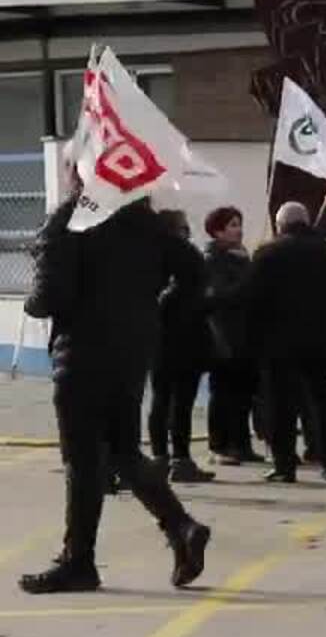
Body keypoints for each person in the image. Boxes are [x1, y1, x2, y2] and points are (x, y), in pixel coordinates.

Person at [20, 196, 211, 594]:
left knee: (82, 460)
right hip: (132, 353)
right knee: (123, 450)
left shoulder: (72, 220)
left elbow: (46, 300)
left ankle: (79, 562)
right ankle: (180, 526)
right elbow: (195, 272)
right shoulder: (148, 223)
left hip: (81, 353)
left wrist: (42, 255)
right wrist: (153, 310)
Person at [247, 202, 326, 484]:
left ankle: (285, 466)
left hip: (278, 342)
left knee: (280, 405)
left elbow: (252, 300)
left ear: (280, 225)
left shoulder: (267, 253)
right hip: (321, 338)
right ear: (307, 222)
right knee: (322, 401)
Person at [148, 209, 215, 484]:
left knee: (160, 398)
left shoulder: (147, 254)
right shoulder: (186, 254)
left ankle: (159, 457)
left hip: (156, 339)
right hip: (187, 339)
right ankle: (181, 459)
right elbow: (197, 294)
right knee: (182, 402)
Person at [202, 206, 260, 467]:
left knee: (243, 393)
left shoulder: (242, 257)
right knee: (223, 393)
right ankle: (219, 445)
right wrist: (249, 279)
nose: (239, 230)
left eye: (239, 224)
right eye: (233, 225)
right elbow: (219, 296)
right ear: (218, 231)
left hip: (245, 334)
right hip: (223, 335)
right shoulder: (213, 259)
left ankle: (241, 443)